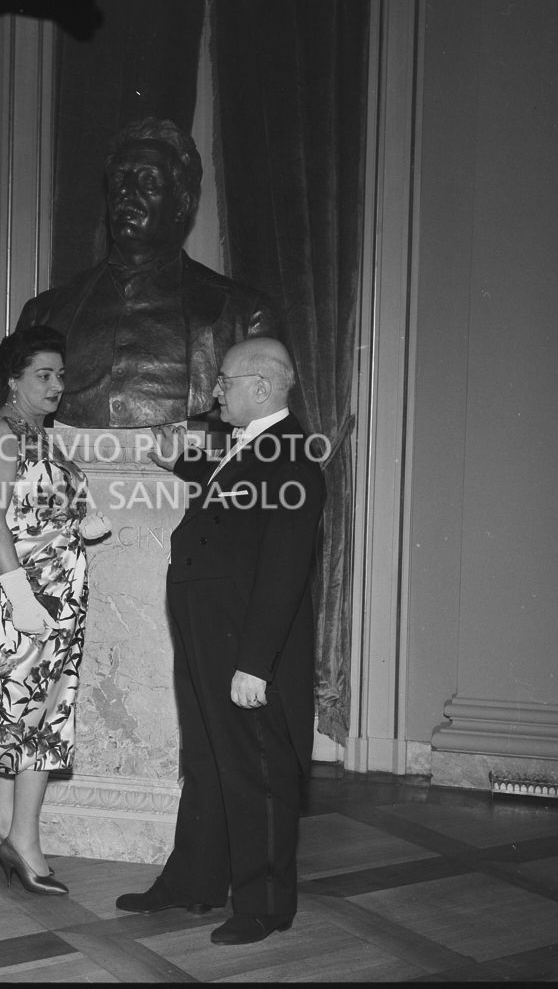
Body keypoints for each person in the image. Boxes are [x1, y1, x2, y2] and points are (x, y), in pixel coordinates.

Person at [115, 336, 326, 945]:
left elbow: (285, 573)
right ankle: (194, 882)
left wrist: (255, 664)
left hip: (244, 645)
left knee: (256, 770)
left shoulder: (293, 458)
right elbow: (232, 484)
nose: (215, 392)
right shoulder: (255, 449)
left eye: (225, 381)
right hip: (208, 631)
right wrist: (176, 463)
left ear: (261, 387)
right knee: (206, 758)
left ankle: (264, 906)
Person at [0, 325, 109, 895]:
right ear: (13, 379)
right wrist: (22, 600)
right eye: (43, 375)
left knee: (21, 711)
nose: (56, 385)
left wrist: (80, 521)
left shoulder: (39, 435)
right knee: (39, 715)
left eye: (60, 375)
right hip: (28, 598)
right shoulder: (0, 434)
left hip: (56, 593)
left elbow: (36, 505)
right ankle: (25, 841)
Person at [16, 117, 278, 429]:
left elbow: (268, 448)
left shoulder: (244, 316)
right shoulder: (44, 315)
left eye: (148, 181)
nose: (127, 192)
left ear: (181, 203)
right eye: (119, 181)